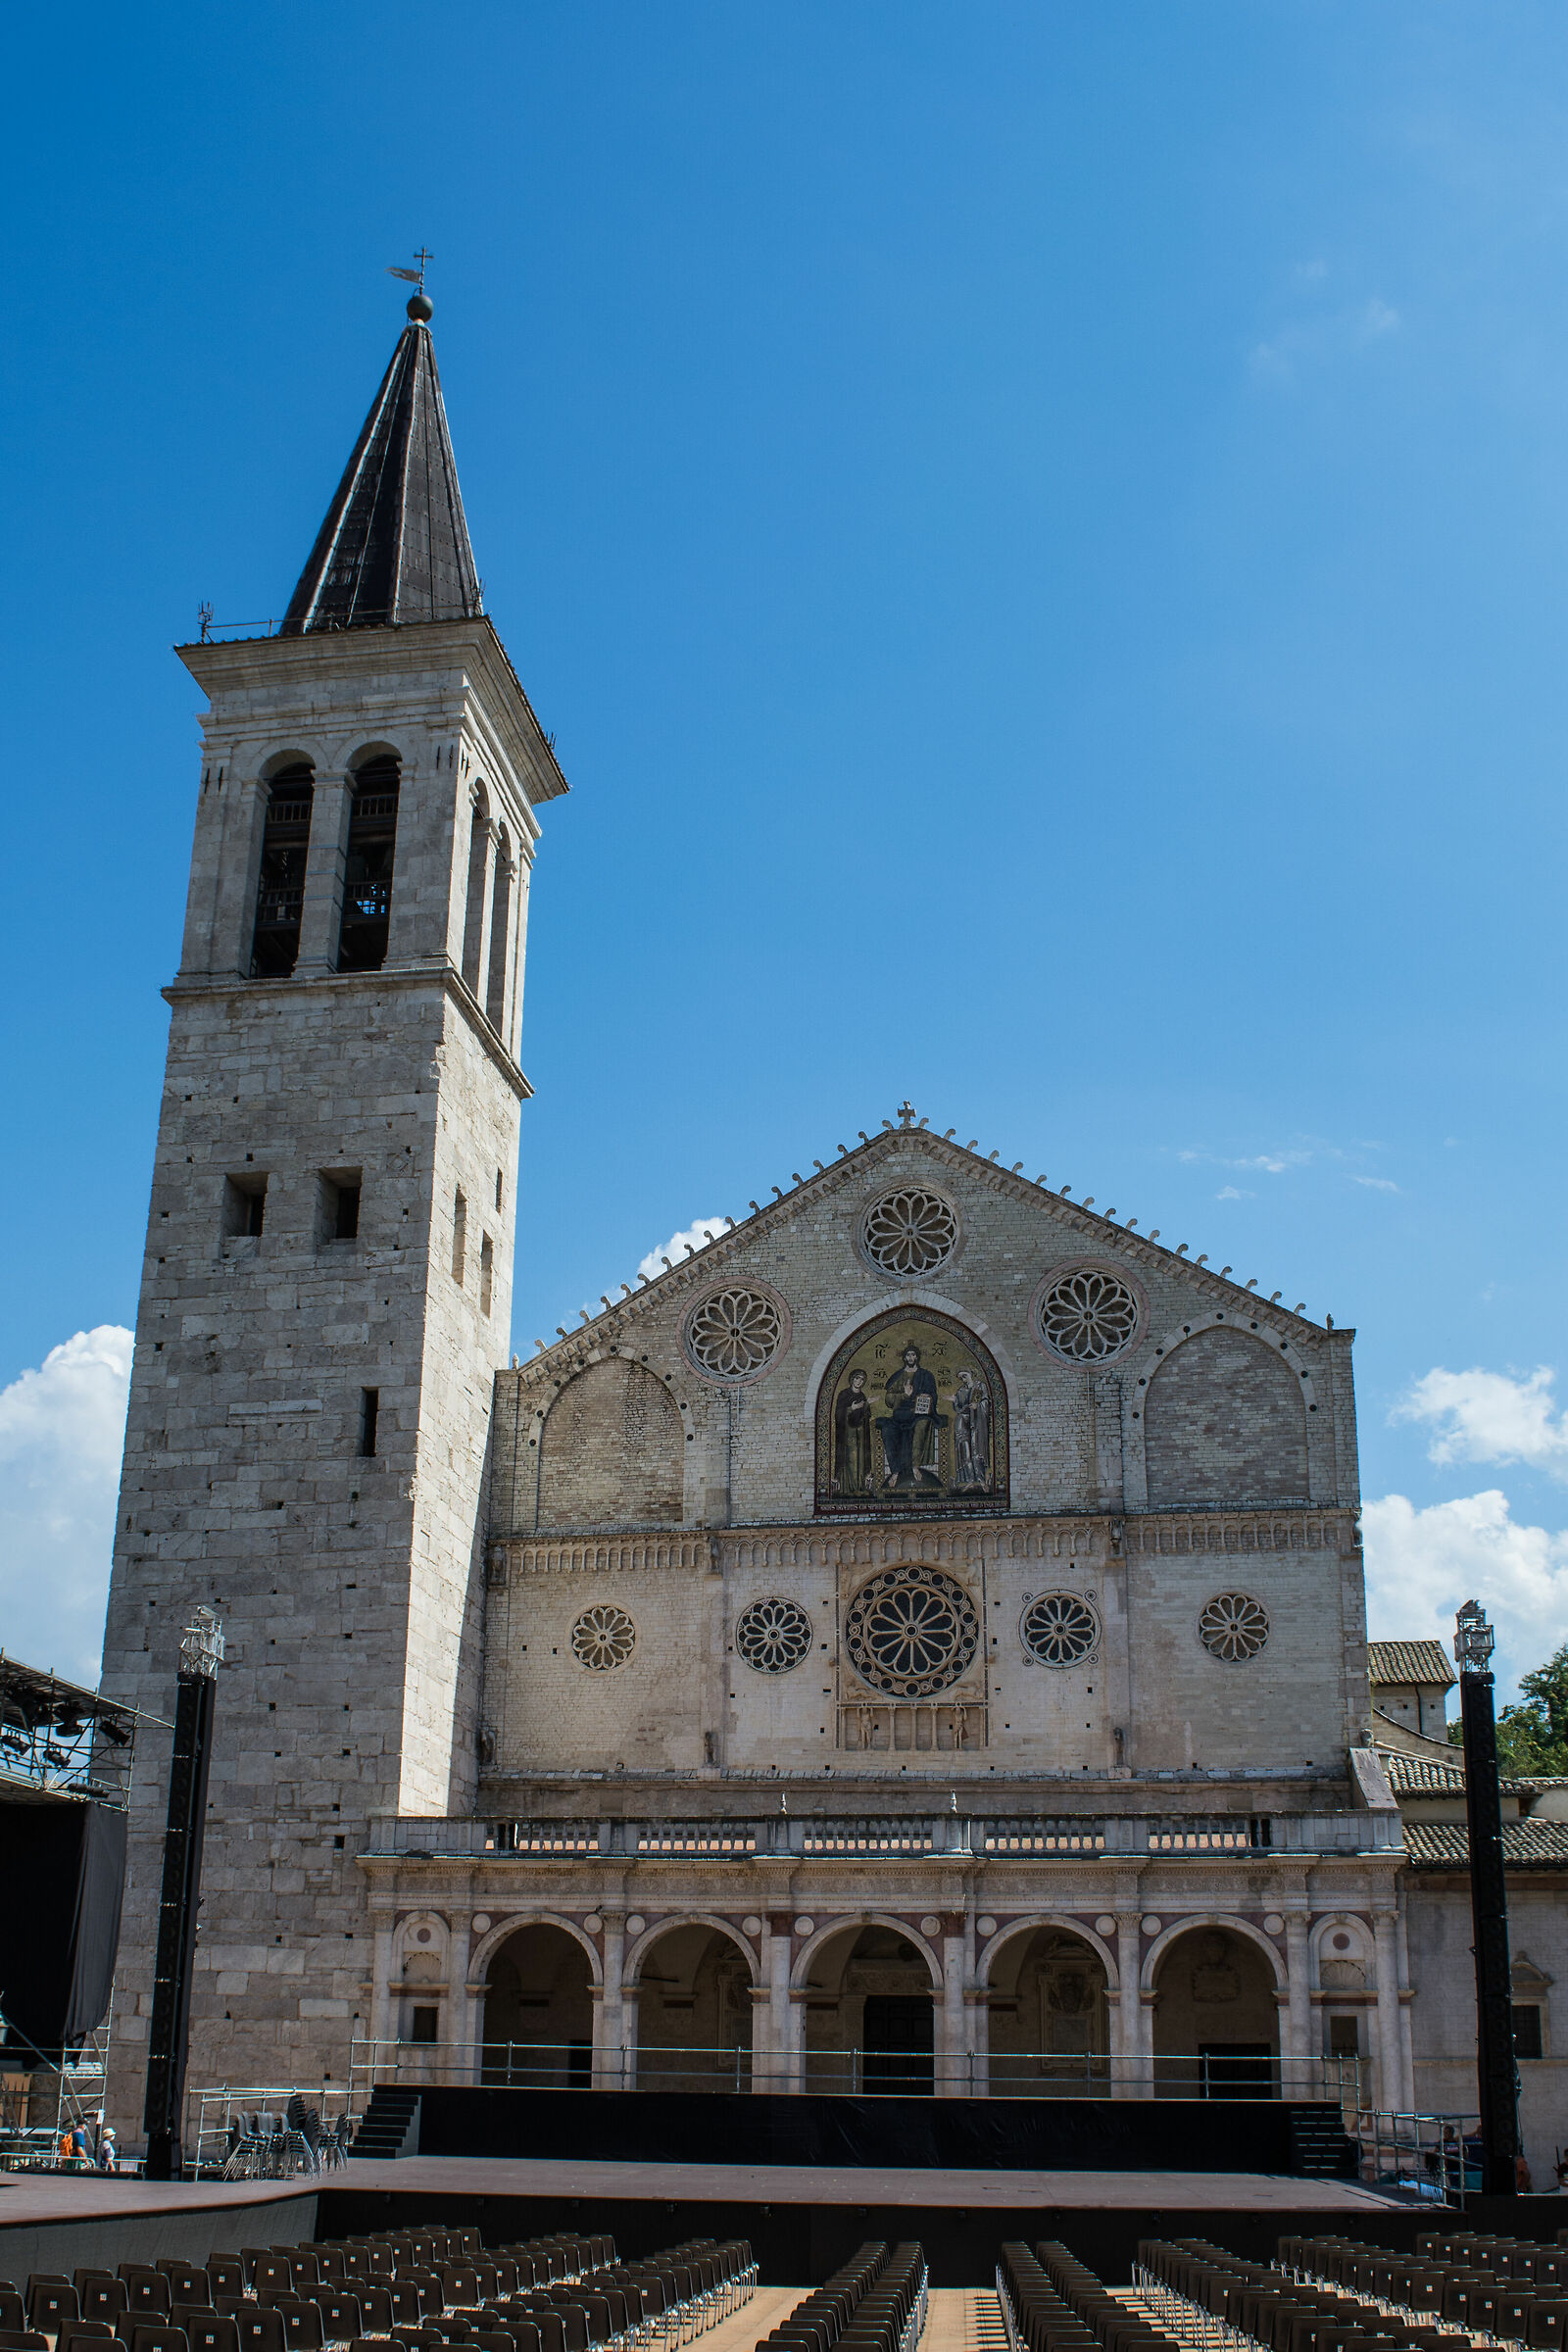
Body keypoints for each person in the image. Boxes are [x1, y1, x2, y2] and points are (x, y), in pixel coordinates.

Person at [878, 1345, 942, 1488]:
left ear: (917, 1357)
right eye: (908, 1355)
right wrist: (904, 1395)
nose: (911, 1358)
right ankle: (895, 1471)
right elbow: (889, 1400)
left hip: (920, 1413)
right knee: (888, 1429)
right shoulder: (898, 1376)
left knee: (920, 1426)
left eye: (913, 1355)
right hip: (901, 1414)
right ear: (904, 1357)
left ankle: (915, 1466)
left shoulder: (926, 1375)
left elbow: (933, 1395)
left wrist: (928, 1397)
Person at [834, 1367, 874, 1494]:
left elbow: (866, 1415)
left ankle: (859, 1487)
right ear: (852, 1379)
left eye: (862, 1379)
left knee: (861, 1459)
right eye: (857, 1378)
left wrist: (867, 1404)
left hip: (860, 1433)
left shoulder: (862, 1395)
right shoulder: (843, 1394)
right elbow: (838, 1414)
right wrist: (851, 1408)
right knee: (850, 1459)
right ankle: (847, 1488)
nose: (859, 1381)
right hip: (848, 1433)